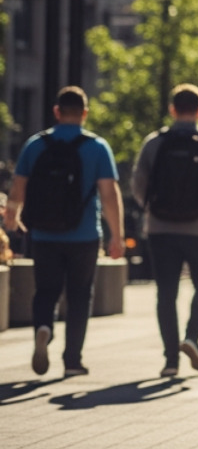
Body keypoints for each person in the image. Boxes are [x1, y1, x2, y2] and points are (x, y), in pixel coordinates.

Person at [4, 86, 125, 378]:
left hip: (44, 234)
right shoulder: (96, 147)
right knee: (80, 295)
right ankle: (72, 361)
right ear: (85, 113)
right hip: (84, 235)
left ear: (57, 112)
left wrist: (11, 219)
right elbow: (109, 194)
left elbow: (18, 188)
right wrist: (116, 236)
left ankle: (44, 326)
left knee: (45, 290)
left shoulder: (35, 144)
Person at [130, 83, 198, 376]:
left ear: (172, 110)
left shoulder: (154, 143)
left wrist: (152, 208)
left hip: (160, 229)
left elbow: (137, 184)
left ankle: (170, 360)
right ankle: (192, 337)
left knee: (166, 293)